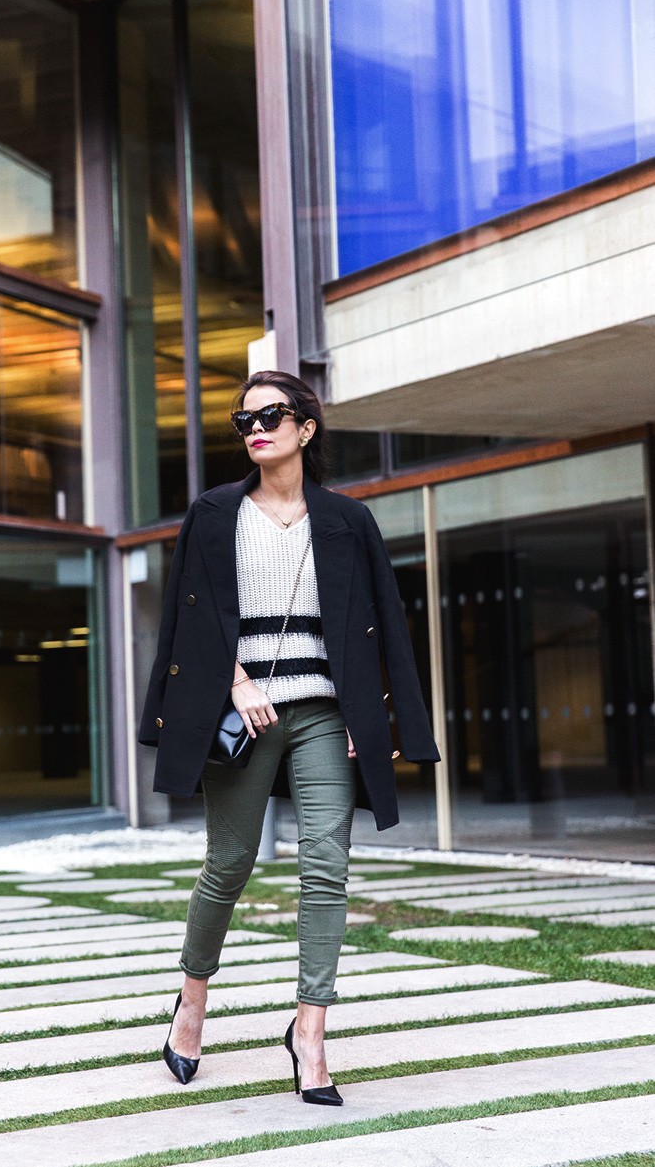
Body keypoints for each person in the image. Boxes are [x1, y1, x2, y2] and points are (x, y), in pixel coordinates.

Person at [139, 370, 439, 1104]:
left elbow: (383, 627)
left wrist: (373, 718)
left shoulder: (346, 521)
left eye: (270, 415)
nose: (255, 429)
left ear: (307, 427)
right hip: (245, 713)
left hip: (324, 715)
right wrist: (236, 683)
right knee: (230, 862)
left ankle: (310, 1032)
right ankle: (193, 1003)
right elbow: (191, 620)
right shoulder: (213, 515)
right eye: (244, 421)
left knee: (326, 867)